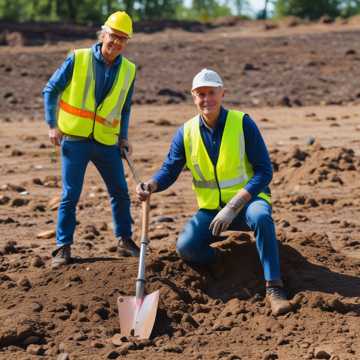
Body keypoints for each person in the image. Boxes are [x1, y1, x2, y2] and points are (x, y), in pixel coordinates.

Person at [136, 68, 292, 316]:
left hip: (249, 202)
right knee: (187, 247)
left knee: (262, 219)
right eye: (200, 94)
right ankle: (226, 263)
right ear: (193, 96)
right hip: (211, 210)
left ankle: (274, 287)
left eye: (211, 93)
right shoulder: (186, 132)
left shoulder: (242, 123)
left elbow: (264, 171)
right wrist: (151, 185)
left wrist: (232, 208)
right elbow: (170, 169)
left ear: (222, 94)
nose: (206, 99)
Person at [43, 11, 140, 269]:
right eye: (114, 36)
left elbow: (125, 108)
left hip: (107, 142)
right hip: (74, 139)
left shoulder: (129, 70)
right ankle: (63, 247)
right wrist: (52, 125)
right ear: (103, 33)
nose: (117, 43)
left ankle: (124, 240)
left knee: (120, 191)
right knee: (70, 194)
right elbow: (51, 90)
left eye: (123, 39)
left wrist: (123, 137)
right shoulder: (79, 58)